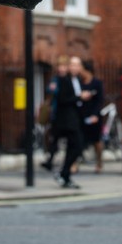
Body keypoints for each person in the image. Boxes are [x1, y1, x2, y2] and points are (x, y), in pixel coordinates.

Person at [48, 55, 86, 189]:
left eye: (78, 65)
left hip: (75, 120)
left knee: (74, 148)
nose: (76, 67)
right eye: (73, 65)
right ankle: (63, 172)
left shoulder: (78, 80)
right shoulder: (64, 80)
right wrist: (79, 97)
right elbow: (64, 99)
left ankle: (64, 174)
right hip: (66, 121)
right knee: (77, 147)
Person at [77, 59, 105, 173]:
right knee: (78, 140)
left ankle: (99, 162)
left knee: (96, 141)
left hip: (94, 116)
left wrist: (95, 115)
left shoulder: (97, 83)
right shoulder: (79, 83)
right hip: (81, 115)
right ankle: (75, 163)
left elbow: (100, 101)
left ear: (86, 70)